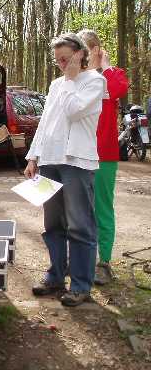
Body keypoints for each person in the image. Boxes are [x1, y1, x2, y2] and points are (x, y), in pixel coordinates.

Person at [24, 33, 106, 307]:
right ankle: (56, 275)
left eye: (66, 58)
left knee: (80, 224)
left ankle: (81, 285)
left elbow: (74, 112)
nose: (61, 64)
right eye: (57, 60)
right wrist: (32, 157)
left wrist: (71, 79)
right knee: (52, 223)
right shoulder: (56, 84)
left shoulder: (95, 80)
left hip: (77, 162)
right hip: (49, 160)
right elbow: (46, 123)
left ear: (80, 54)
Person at [78, 29, 129, 285]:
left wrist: (106, 65)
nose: (85, 55)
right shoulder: (77, 78)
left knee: (102, 208)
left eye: (89, 49)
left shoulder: (113, 75)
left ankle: (104, 261)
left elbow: (119, 88)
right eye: (81, 50)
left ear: (98, 49)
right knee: (76, 209)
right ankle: (79, 261)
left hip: (104, 154)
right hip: (77, 154)